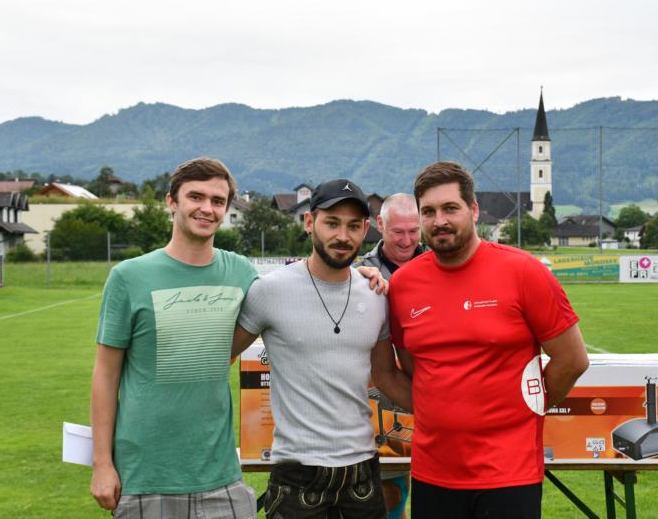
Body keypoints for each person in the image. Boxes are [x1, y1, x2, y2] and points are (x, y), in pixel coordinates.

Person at [388, 161, 589, 519]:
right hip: (434, 473)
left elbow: (572, 360)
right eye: (429, 212)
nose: (439, 220)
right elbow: (415, 371)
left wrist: (526, 408)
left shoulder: (523, 272)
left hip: (509, 474)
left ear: (474, 210)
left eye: (450, 208)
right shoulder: (403, 285)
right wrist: (443, 411)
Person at [232, 179, 413, 519]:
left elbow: (386, 376)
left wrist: (449, 413)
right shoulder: (270, 291)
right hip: (297, 473)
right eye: (332, 223)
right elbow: (219, 359)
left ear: (366, 230)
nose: (342, 236)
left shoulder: (375, 295)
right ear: (309, 222)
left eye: (353, 226)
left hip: (361, 472)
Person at [90, 158, 258, 518]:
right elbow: (105, 374)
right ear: (172, 202)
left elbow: (299, 289)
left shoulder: (241, 273)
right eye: (195, 197)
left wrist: (362, 275)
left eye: (217, 201)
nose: (207, 208)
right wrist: (102, 464)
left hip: (220, 477)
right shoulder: (128, 277)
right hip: (145, 478)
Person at [358, 193, 423, 519]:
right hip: (381, 401)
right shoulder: (360, 272)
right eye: (398, 232)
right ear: (380, 224)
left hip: (433, 394)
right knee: (389, 494)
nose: (407, 240)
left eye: (414, 231)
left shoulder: (442, 263)